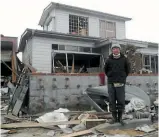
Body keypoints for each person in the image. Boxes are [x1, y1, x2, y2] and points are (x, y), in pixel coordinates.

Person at [104, 44, 130, 125]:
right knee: (112, 100)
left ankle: (120, 118)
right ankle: (114, 118)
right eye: (114, 49)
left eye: (117, 48)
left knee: (121, 100)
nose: (115, 50)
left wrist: (122, 77)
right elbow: (105, 70)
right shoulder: (108, 59)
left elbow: (127, 69)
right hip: (111, 83)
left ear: (119, 50)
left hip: (120, 82)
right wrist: (110, 75)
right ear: (112, 50)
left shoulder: (124, 59)